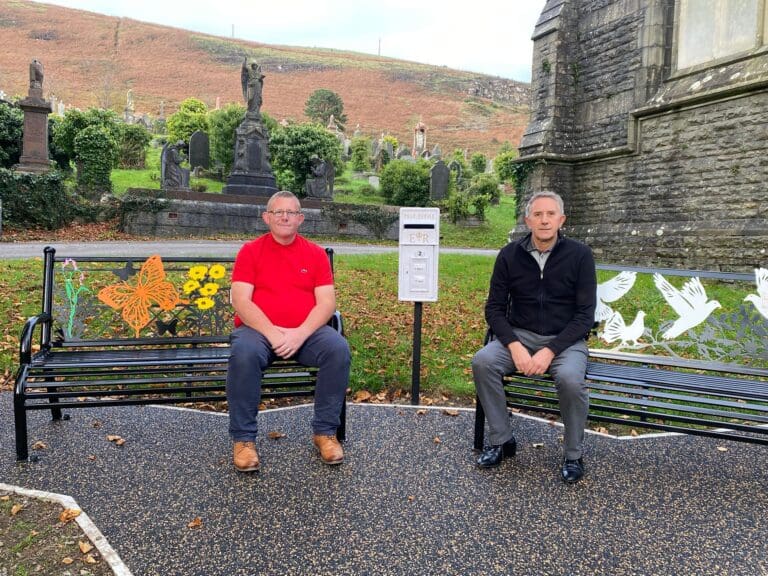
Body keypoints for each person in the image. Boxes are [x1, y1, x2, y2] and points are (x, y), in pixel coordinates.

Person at [472, 191, 596, 483]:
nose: (544, 220)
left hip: (565, 341)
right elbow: (494, 308)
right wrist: (514, 346)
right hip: (520, 336)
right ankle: (502, 440)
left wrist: (550, 351)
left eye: (550, 214)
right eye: (537, 214)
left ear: (561, 219)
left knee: (569, 380)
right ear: (528, 220)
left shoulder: (580, 256)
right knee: (483, 361)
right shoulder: (509, 255)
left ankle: (573, 454)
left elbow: (585, 315)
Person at [226, 190, 350, 472]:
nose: (284, 216)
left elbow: (327, 303)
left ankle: (325, 432)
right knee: (243, 352)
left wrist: (299, 334)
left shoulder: (316, 255)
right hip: (258, 331)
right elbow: (241, 301)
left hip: (303, 333)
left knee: (337, 348)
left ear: (301, 219)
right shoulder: (250, 252)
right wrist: (273, 333)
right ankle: (243, 441)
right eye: (278, 212)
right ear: (266, 217)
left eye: (291, 212)